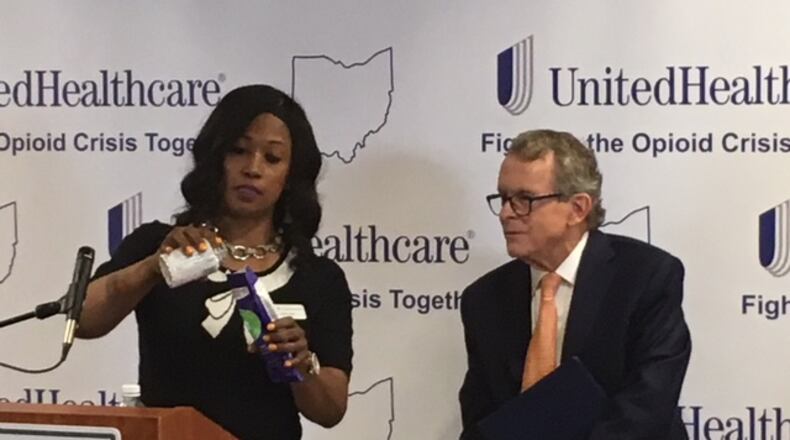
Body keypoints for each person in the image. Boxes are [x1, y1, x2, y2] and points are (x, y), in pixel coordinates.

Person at [77, 85, 353, 440]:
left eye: (272, 158)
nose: (252, 169)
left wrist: (303, 367)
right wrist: (151, 268)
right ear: (215, 158)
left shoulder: (319, 278)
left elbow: (331, 411)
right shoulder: (159, 245)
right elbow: (81, 320)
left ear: (290, 176)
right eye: (238, 151)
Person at [459, 129, 691, 439]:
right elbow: (481, 417)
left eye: (524, 200)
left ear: (578, 208)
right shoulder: (484, 299)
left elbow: (647, 407)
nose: (505, 214)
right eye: (503, 198)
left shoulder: (646, 277)